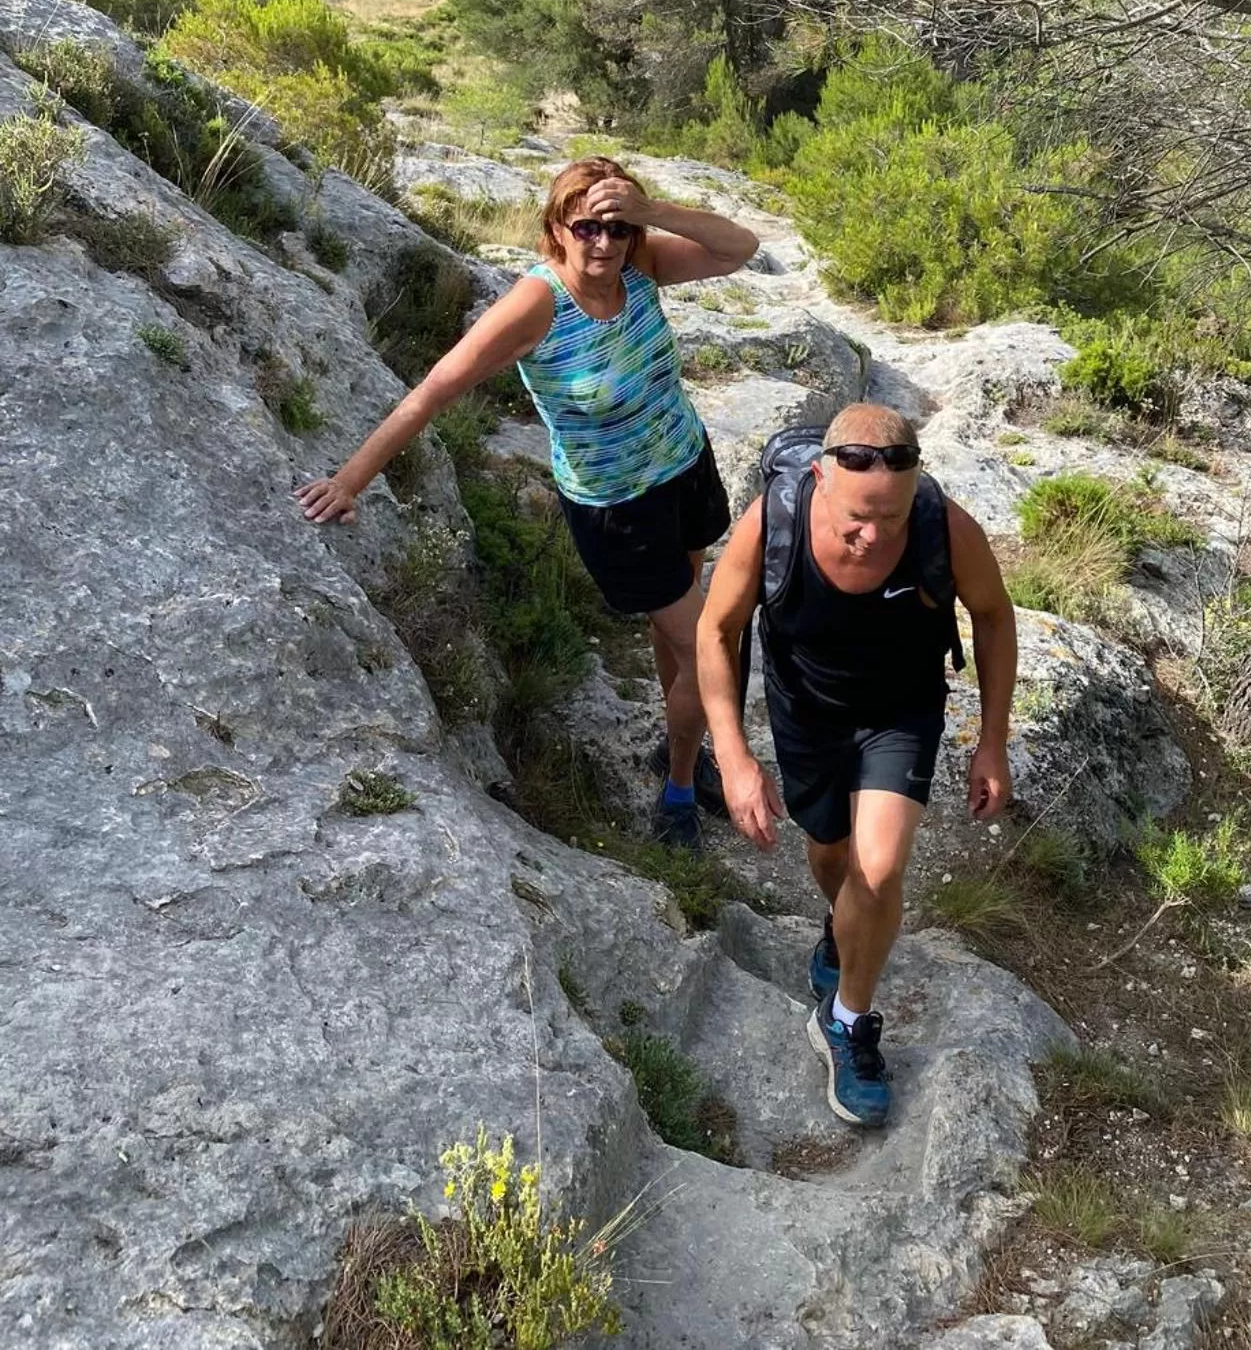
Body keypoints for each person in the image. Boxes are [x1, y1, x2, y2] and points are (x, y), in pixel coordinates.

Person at [296, 156, 759, 850]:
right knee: (708, 646)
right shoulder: (536, 305)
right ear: (556, 230)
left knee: (682, 629)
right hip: (617, 508)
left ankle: (678, 745)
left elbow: (740, 249)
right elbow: (433, 391)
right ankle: (683, 787)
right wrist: (351, 480)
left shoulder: (644, 263)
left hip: (683, 467)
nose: (604, 244)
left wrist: (650, 213)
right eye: (588, 229)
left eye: (617, 229)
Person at [696, 403, 1017, 1128]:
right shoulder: (772, 519)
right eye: (856, 520)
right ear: (820, 478)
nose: (873, 537)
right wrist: (735, 758)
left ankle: (845, 1021)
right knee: (832, 854)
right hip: (806, 710)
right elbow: (716, 629)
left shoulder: (943, 524)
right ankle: (841, 932)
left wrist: (990, 740)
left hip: (900, 712)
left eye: (892, 520)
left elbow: (994, 615)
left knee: (878, 869)